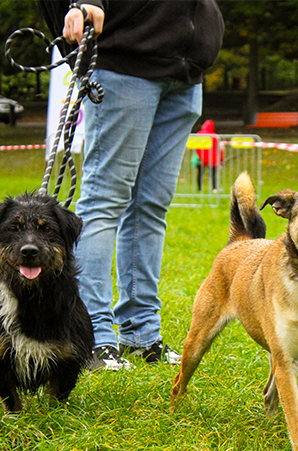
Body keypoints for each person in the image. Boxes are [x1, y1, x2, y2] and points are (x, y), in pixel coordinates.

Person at [59, 0, 224, 370]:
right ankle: (93, 337)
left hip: (185, 70)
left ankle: (142, 335)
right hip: (126, 59)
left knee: (150, 207)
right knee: (104, 202)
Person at [195, 119, 224, 193]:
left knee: (200, 174)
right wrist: (221, 159)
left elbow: (196, 147)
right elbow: (220, 149)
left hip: (201, 158)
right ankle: (214, 188)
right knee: (213, 174)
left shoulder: (198, 135)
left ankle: (199, 188)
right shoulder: (215, 137)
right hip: (212, 159)